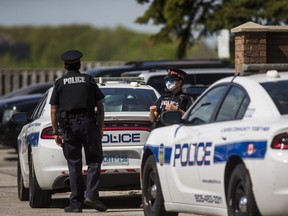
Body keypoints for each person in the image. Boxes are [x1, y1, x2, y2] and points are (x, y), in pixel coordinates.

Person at [49, 50, 107, 213]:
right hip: (89, 124)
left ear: (65, 66)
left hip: (68, 126)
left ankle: (75, 203)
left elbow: (53, 110)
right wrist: (100, 128)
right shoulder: (89, 80)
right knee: (94, 161)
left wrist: (55, 132)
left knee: (74, 164)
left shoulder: (59, 83)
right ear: (79, 64)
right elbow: (100, 107)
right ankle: (92, 196)